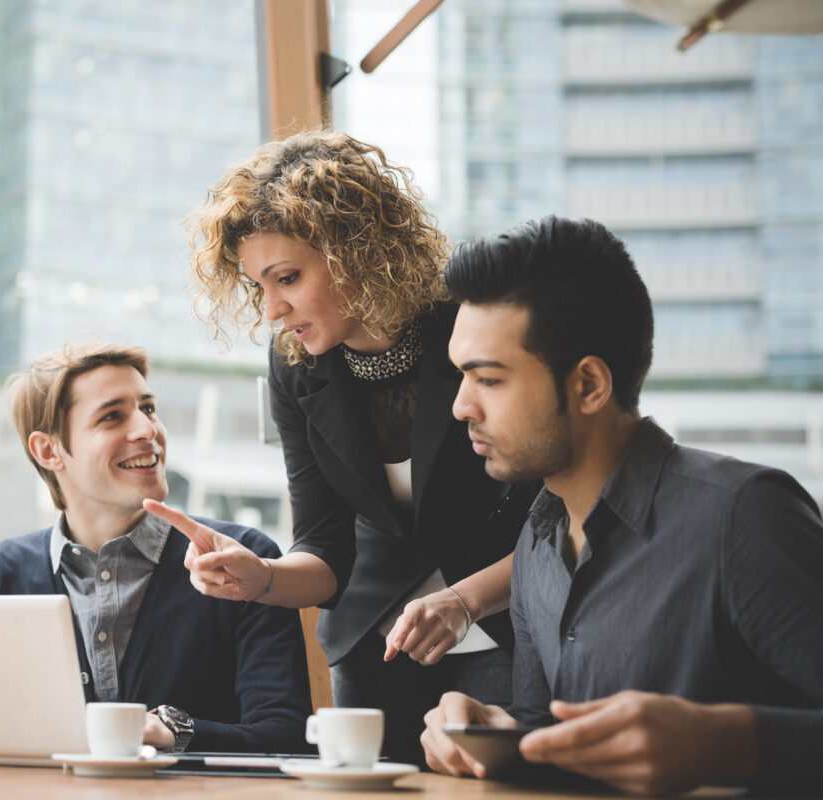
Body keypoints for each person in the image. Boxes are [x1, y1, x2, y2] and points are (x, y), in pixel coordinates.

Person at [146, 131, 539, 764]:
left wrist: (467, 599)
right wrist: (263, 578)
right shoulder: (296, 366)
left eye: (289, 278)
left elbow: (562, 518)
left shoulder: (468, 319)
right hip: (375, 643)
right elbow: (326, 546)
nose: (273, 309)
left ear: (356, 249)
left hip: (508, 624)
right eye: (259, 288)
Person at [419, 215, 823, 795]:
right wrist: (497, 733)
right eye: (462, 377)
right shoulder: (537, 542)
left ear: (588, 385)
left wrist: (731, 742)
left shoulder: (743, 517)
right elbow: (549, 735)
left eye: (489, 380)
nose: (461, 407)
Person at [0, 340, 313, 754]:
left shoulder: (242, 558)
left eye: (149, 409)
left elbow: (287, 736)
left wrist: (176, 732)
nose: (147, 430)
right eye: (112, 416)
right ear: (48, 450)